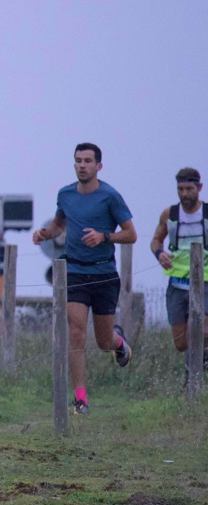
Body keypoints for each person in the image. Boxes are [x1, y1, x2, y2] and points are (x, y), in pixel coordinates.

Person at [31, 143, 137, 414]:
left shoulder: (110, 196)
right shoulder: (65, 194)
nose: (82, 165)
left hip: (104, 273)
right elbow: (59, 225)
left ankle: (118, 342)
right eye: (78, 160)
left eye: (88, 161)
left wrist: (104, 236)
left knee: (103, 342)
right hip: (75, 272)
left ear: (98, 166)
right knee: (76, 333)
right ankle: (80, 400)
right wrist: (45, 233)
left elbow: (131, 234)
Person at [149, 167, 208, 374]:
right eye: (180, 189)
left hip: (205, 282)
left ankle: (193, 375)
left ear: (199, 187)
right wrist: (160, 254)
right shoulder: (170, 214)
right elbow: (156, 240)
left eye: (189, 189)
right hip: (177, 283)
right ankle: (197, 365)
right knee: (181, 343)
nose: (184, 194)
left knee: (202, 330)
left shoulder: (206, 213)